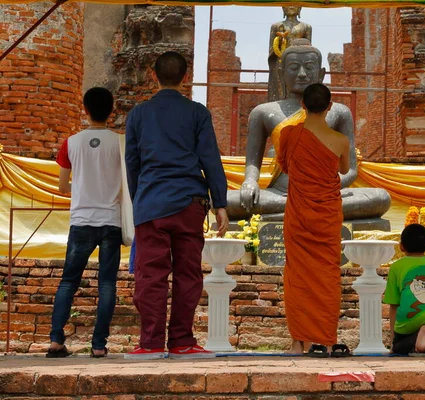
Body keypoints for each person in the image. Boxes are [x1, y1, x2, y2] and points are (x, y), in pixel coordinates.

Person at [125, 51, 229, 360]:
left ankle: (151, 343)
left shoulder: (139, 114)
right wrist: (219, 203)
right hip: (188, 202)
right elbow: (210, 158)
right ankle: (182, 340)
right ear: (186, 78)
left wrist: (140, 197)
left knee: (150, 275)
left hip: (151, 202)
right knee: (188, 274)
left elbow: (132, 163)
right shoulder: (197, 113)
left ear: (153, 75)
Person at [226, 39, 391, 222]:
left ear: (321, 74)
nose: (302, 74)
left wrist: (324, 188)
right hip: (281, 193)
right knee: (226, 201)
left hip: (325, 192)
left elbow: (351, 170)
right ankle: (298, 209)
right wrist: (250, 182)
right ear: (280, 74)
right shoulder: (263, 112)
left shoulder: (339, 112)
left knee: (380, 198)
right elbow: (252, 163)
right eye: (294, 67)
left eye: (309, 67)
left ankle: (284, 213)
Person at [48, 87, 122, 358]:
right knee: (107, 284)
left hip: (81, 220)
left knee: (68, 281)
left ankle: (56, 341)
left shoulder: (72, 142)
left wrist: (82, 186)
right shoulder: (120, 143)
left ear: (85, 109)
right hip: (111, 221)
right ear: (111, 110)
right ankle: (99, 345)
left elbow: (62, 186)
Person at [279, 83, 350, 356]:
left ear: (303, 106)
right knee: (327, 276)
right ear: (330, 106)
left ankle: (298, 342)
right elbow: (344, 169)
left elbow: (285, 166)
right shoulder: (340, 140)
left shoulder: (289, 134)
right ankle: (327, 341)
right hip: (327, 216)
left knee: (296, 275)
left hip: (298, 214)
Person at [383, 223, 425, 357]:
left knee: (399, 346)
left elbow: (394, 306)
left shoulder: (397, 267)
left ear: (401, 246)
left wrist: (393, 341)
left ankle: (418, 340)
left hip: (410, 322)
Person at [268, 6, 312, 101]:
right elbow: (271, 48)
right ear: (283, 8)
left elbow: (309, 49)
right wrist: (280, 42)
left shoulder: (306, 27)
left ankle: (299, 102)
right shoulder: (276, 26)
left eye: (294, 3)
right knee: (280, 84)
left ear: (300, 8)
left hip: (299, 61)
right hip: (280, 60)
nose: (291, 6)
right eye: (288, 3)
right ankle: (280, 100)